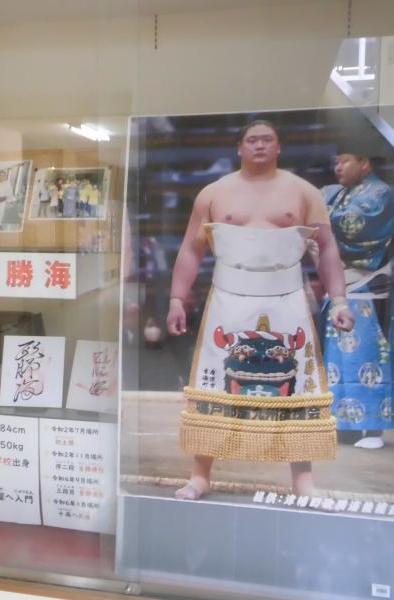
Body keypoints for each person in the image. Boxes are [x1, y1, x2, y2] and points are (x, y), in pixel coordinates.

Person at [166, 120, 354, 500]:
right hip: (227, 299)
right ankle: (201, 474)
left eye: (267, 139)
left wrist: (339, 300)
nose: (259, 146)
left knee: (297, 383)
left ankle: (302, 480)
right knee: (214, 381)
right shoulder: (213, 193)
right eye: (252, 140)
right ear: (240, 147)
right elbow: (191, 249)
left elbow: (327, 248)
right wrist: (176, 300)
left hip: (287, 298)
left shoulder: (304, 192)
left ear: (279, 146)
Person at [318, 145, 394, 450]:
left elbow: (351, 225)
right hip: (342, 286)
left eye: (343, 161)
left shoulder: (379, 194)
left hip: (368, 285)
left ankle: (372, 429)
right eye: (335, 162)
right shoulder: (342, 192)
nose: (337, 167)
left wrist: (319, 214)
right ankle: (346, 425)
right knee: (340, 357)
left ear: (364, 162)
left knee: (370, 356)